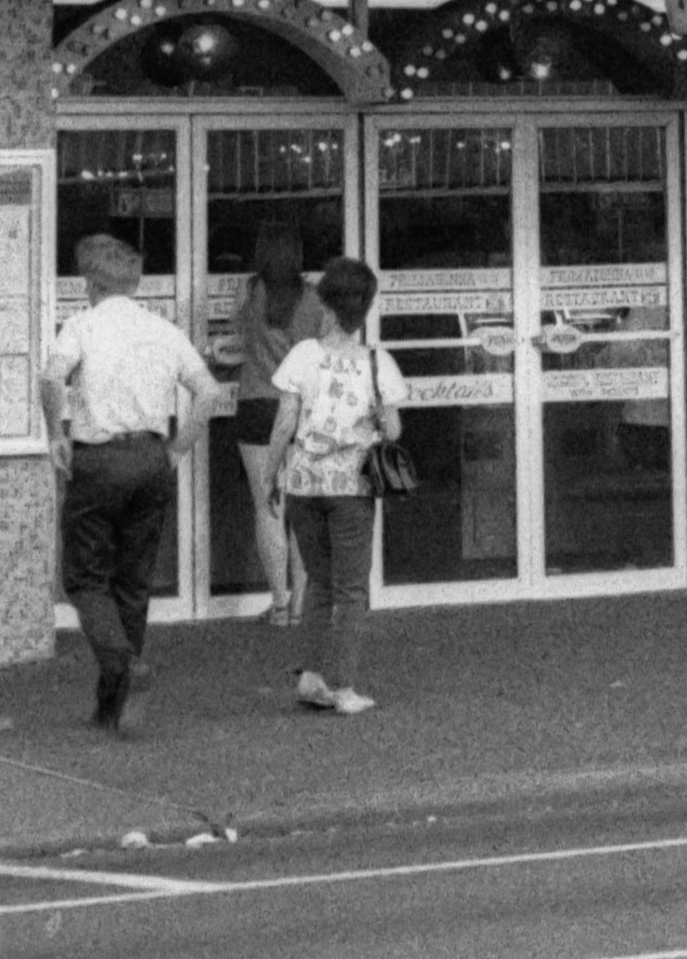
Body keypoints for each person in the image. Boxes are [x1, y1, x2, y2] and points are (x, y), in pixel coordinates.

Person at [37, 234, 221, 736]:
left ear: (90, 283)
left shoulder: (82, 325)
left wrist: (57, 432)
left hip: (99, 459)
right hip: (150, 457)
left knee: (84, 579)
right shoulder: (162, 330)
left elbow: (52, 379)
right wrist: (178, 450)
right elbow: (207, 392)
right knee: (133, 585)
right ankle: (111, 706)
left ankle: (122, 666)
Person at [264, 256, 409, 715]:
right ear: (364, 311)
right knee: (350, 589)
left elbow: (285, 421)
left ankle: (311, 677)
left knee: (318, 582)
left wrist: (271, 473)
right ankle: (343, 685)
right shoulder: (376, 361)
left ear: (325, 305)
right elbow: (395, 427)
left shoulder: (302, 355)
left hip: (304, 484)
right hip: (351, 489)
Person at [223, 222, 321, 622]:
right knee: (299, 507)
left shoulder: (248, 291)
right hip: (300, 409)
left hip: (257, 405)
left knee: (268, 508)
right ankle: (300, 603)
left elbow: (236, 335)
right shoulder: (315, 297)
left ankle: (279, 603)